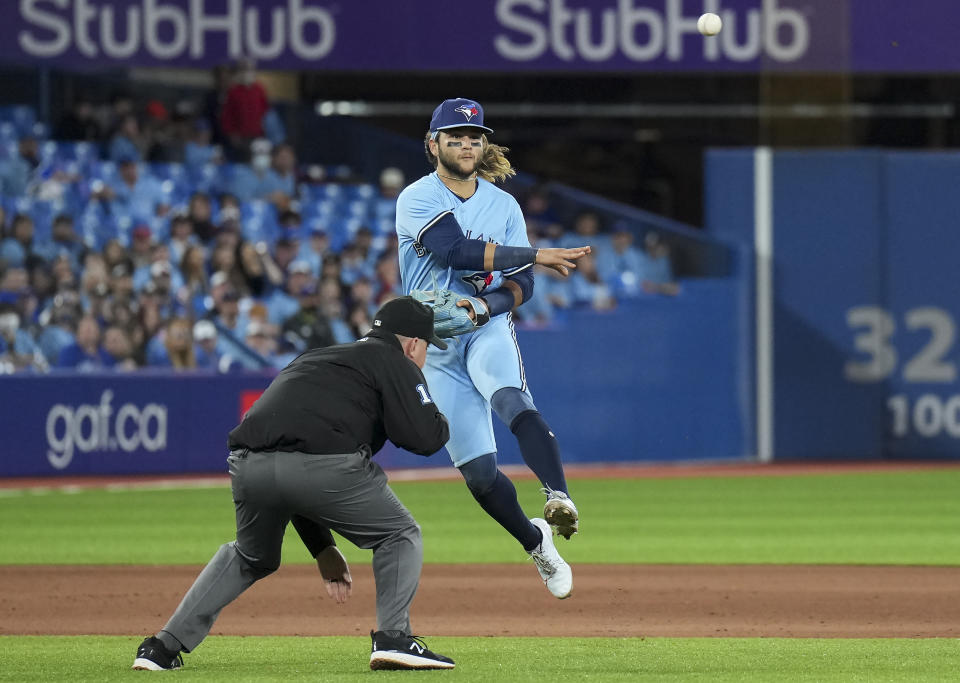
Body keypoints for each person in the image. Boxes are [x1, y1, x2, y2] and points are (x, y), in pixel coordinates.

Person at [132, 296, 455, 672]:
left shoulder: (317, 357)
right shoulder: (397, 361)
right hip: (323, 467)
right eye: (428, 347)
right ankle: (394, 639)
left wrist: (322, 548)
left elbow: (292, 454)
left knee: (251, 556)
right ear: (413, 343)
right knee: (399, 534)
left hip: (248, 466)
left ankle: (160, 648)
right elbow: (425, 438)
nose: (425, 355)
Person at [394, 98, 591, 600]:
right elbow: (456, 250)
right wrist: (536, 252)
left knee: (510, 399)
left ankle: (557, 495)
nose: (466, 144)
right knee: (481, 476)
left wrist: (486, 307)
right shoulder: (416, 197)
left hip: (484, 326)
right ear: (433, 143)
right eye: (455, 136)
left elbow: (524, 284)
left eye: (474, 136)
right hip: (434, 343)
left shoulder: (503, 206)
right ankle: (537, 543)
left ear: (485, 145)